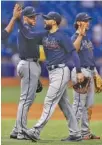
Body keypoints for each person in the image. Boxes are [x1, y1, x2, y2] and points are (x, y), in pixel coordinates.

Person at [22, 11, 84, 142]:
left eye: (47, 19)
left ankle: (36, 131)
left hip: (61, 71)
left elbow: (73, 53)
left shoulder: (62, 36)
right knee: (65, 105)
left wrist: (78, 71)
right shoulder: (44, 35)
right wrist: (18, 20)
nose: (44, 21)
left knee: (49, 101)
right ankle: (76, 134)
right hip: (52, 73)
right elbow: (28, 35)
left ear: (54, 21)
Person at [10, 5, 47, 140]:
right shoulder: (25, 28)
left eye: (35, 16)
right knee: (26, 100)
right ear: (25, 17)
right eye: (31, 17)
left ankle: (16, 129)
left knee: (27, 99)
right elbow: (32, 36)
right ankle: (21, 131)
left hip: (31, 64)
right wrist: (48, 32)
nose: (34, 18)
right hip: (28, 64)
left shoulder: (27, 28)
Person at [71, 12, 100, 140]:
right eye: (85, 20)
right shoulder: (74, 37)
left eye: (88, 20)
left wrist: (95, 73)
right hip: (80, 72)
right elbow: (74, 51)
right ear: (78, 22)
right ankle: (73, 133)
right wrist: (80, 36)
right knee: (78, 104)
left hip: (90, 70)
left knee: (88, 105)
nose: (88, 22)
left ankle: (85, 132)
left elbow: (90, 57)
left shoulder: (88, 38)